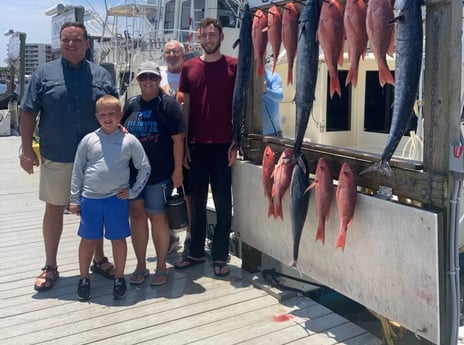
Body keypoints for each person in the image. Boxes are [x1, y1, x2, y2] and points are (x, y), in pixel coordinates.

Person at [19, 21, 119, 292]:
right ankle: (50, 265)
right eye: (66, 41)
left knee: (95, 209)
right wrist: (26, 149)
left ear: (87, 43)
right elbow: (28, 112)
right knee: (54, 209)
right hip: (57, 155)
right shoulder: (43, 73)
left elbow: (115, 114)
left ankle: (99, 259)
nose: (71, 45)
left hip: (96, 158)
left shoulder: (101, 75)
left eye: (77, 40)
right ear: (60, 44)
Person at [69, 95, 151, 300]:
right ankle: (84, 278)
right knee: (87, 239)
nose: (107, 118)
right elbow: (77, 170)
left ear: (120, 115)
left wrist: (133, 192)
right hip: (90, 199)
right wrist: (74, 199)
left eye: (112, 114)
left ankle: (119, 278)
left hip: (117, 200)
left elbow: (144, 166)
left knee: (118, 239)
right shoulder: (88, 140)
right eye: (102, 115)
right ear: (97, 117)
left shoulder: (129, 140)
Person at [175, 17, 237, 277]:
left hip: (224, 146)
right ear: (199, 38)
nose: (208, 40)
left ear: (221, 37)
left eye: (213, 35)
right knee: (196, 203)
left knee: (223, 204)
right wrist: (186, 143)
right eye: (204, 35)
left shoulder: (234, 66)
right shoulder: (188, 68)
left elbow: (240, 105)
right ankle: (196, 252)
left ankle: (221, 255)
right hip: (197, 146)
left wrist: (237, 141)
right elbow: (185, 108)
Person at [122, 60, 185, 286]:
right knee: (137, 217)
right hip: (132, 175)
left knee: (158, 218)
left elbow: (178, 140)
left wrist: (177, 171)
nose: (148, 81)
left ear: (159, 80)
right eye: (143, 78)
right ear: (138, 80)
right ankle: (140, 265)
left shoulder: (168, 105)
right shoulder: (130, 104)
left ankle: (161, 266)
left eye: (152, 77)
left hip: (159, 173)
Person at [160, 39, 193, 258]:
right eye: (168, 51)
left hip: (187, 142)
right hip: (162, 144)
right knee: (162, 193)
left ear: (184, 53)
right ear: (164, 55)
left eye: (176, 51)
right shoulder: (156, 74)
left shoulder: (190, 73)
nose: (172, 55)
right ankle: (170, 236)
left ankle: (190, 236)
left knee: (188, 193)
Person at [263, 68, 283, 137]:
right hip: (250, 133)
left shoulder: (274, 76)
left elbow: (280, 96)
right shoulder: (247, 76)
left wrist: (266, 91)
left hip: (273, 133)